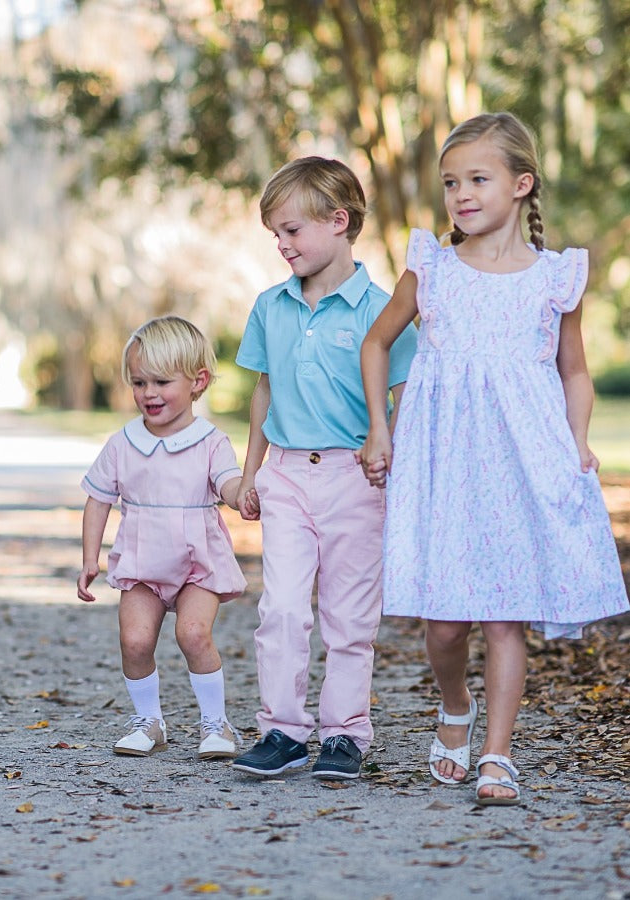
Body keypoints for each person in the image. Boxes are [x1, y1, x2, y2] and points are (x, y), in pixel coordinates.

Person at [358, 112, 628, 806]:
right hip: (443, 460)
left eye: (476, 178)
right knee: (445, 621)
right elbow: (375, 343)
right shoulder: (432, 269)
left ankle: (497, 754)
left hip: (522, 458)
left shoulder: (554, 277)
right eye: (450, 182)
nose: (459, 194)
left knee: (504, 613)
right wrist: (378, 428)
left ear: (520, 184)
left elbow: (572, 371)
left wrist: (576, 441)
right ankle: (454, 705)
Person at [231, 157, 418, 781]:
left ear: (339, 222)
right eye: (276, 235)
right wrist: (252, 471)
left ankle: (344, 734)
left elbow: (402, 399)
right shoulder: (270, 306)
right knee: (282, 608)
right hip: (285, 474)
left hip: (356, 480)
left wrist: (395, 462)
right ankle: (281, 729)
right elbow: (263, 392)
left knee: (349, 614)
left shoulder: (382, 311)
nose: (282, 246)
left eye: (291, 232)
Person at [77, 315, 246, 761]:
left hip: (198, 564)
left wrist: (242, 494)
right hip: (143, 562)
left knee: (193, 634)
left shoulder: (211, 441)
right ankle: (149, 720)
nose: (149, 393)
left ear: (198, 381)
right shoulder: (123, 442)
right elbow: (97, 499)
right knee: (134, 640)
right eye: (138, 382)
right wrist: (90, 558)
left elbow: (228, 483)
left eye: (161, 382)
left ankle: (216, 724)